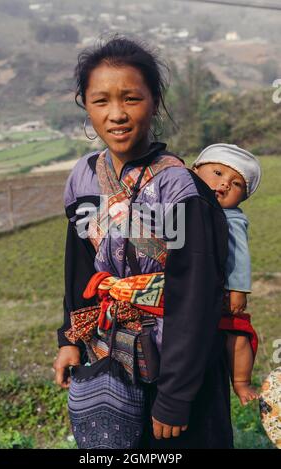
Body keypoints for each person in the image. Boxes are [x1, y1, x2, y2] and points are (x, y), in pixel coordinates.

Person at [53, 36, 234, 449]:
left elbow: (196, 294)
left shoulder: (178, 187)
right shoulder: (82, 179)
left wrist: (175, 396)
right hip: (110, 356)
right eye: (101, 101)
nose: (116, 114)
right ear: (86, 105)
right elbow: (81, 272)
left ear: (154, 101)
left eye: (131, 98)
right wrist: (69, 340)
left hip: (177, 367)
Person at [192, 144, 261, 405]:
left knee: (238, 334)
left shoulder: (231, 218)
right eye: (217, 173)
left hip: (223, 294)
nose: (224, 184)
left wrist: (238, 290)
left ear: (242, 199)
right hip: (193, 293)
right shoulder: (185, 206)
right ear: (194, 171)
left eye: (236, 184)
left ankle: (241, 382)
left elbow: (239, 256)